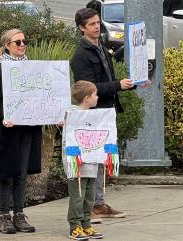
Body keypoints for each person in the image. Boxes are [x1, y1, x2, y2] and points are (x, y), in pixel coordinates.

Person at [70, 8, 141, 222]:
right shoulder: (81, 55)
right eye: (91, 24)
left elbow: (108, 78)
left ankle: (98, 203)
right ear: (82, 28)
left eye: (97, 22)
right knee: (91, 158)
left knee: (102, 158)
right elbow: (88, 89)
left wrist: (131, 84)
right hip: (93, 112)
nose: (97, 26)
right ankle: (89, 206)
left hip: (107, 109)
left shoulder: (100, 45)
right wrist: (118, 85)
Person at [0, 28, 42, 234]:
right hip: (9, 130)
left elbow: (42, 95)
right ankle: (4, 216)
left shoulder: (33, 67)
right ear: (7, 46)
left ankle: (19, 214)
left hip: (27, 128)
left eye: (23, 41)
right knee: (7, 173)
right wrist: (4, 117)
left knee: (21, 172)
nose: (22, 45)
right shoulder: (1, 69)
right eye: (17, 42)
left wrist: (52, 112)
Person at [63, 80, 104, 240]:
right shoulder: (72, 114)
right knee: (77, 197)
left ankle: (86, 225)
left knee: (89, 197)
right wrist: (73, 159)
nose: (97, 97)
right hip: (77, 165)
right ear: (87, 97)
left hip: (92, 163)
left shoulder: (95, 116)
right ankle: (75, 226)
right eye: (95, 94)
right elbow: (69, 139)